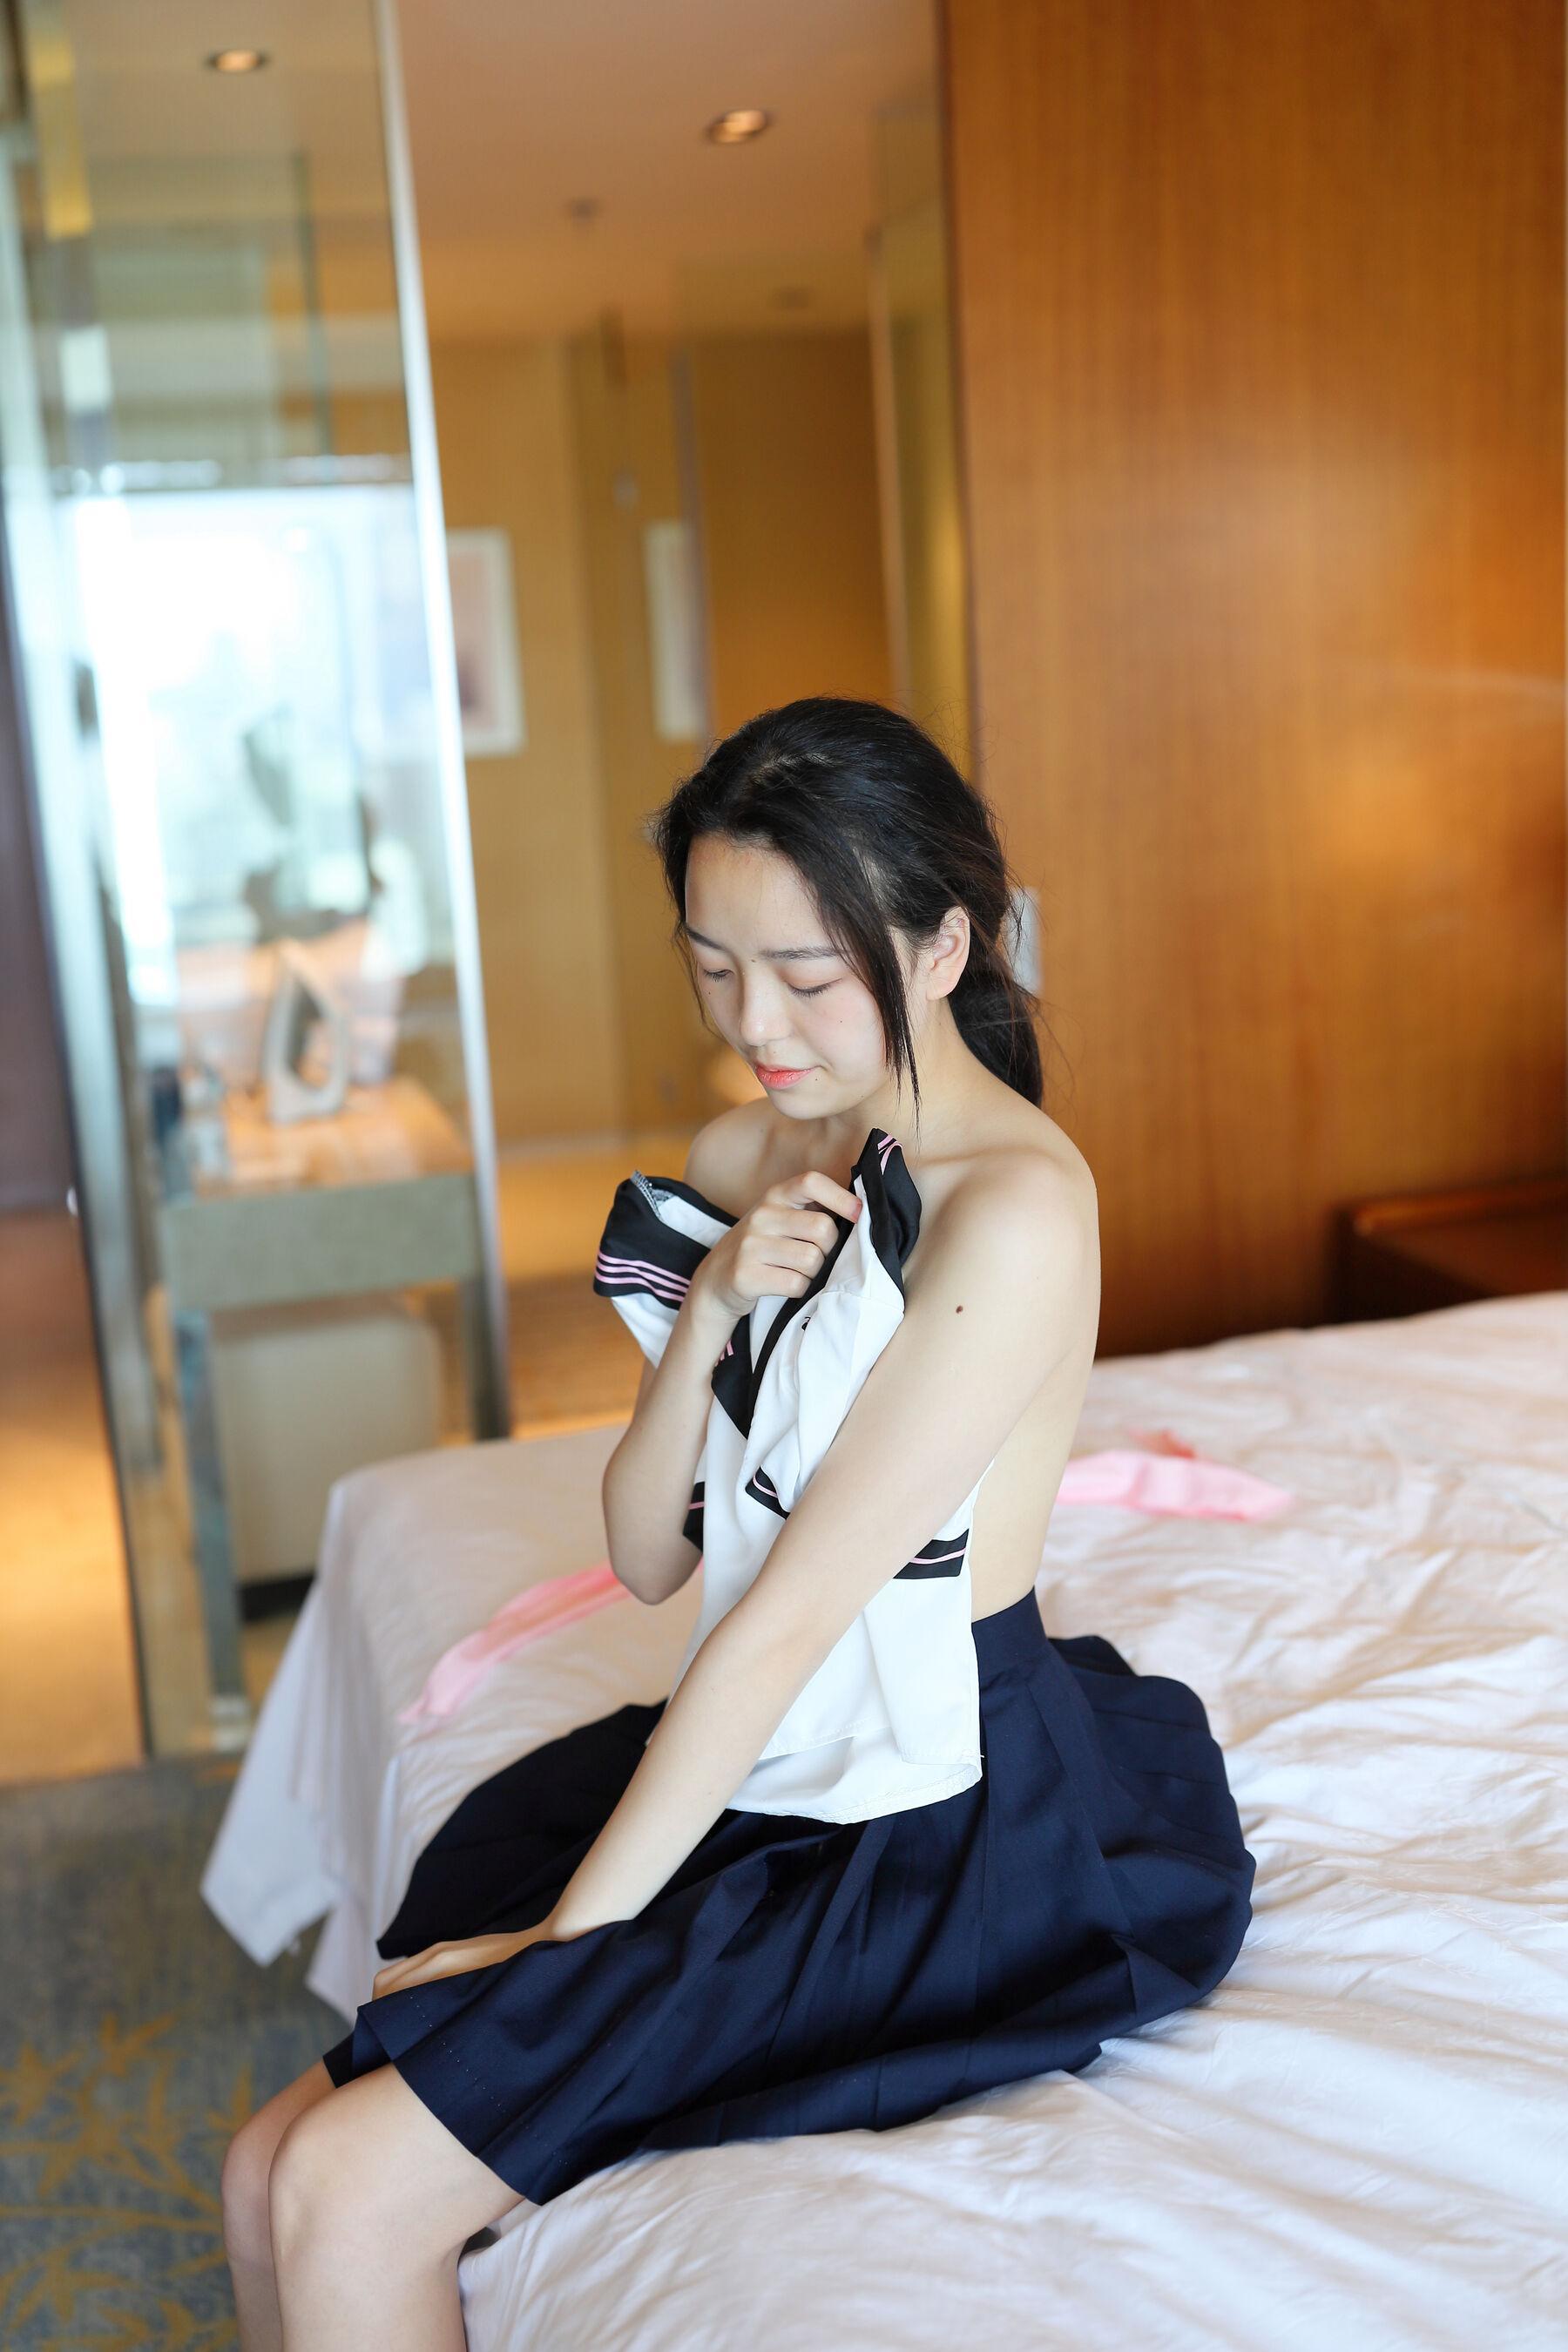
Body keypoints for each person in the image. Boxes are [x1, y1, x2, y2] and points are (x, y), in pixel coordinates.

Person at [220, 695, 1255, 2349]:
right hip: (767, 1742)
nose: (753, 1021)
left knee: (338, 2187)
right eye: (715, 968)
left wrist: (559, 1954)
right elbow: (651, 1559)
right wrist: (708, 1305)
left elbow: (788, 1621)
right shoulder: (748, 1148)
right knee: (258, 2170)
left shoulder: (1018, 1211)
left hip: (923, 1807)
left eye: (803, 975)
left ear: (943, 946)